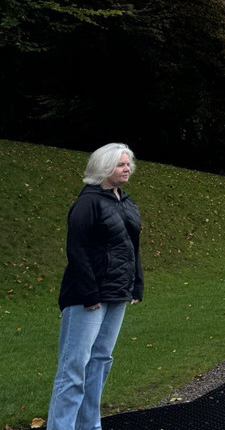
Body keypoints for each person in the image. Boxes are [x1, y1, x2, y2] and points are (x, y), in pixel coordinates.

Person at [48, 143, 143, 430]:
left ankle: (89, 425)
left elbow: (131, 247)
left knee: (100, 361)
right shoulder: (87, 202)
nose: (127, 168)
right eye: (120, 165)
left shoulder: (125, 201)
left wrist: (136, 285)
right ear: (103, 168)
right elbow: (76, 250)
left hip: (117, 294)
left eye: (128, 164)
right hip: (86, 297)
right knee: (73, 369)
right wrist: (89, 293)